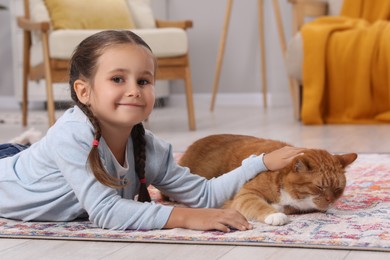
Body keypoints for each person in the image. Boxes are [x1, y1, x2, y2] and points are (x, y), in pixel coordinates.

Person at [0, 30, 304, 232]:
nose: (134, 90)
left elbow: (203, 193)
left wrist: (260, 162)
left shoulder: (149, 148)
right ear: (84, 92)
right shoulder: (72, 133)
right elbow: (105, 212)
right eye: (118, 79)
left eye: (143, 81)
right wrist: (185, 217)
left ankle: (27, 147)